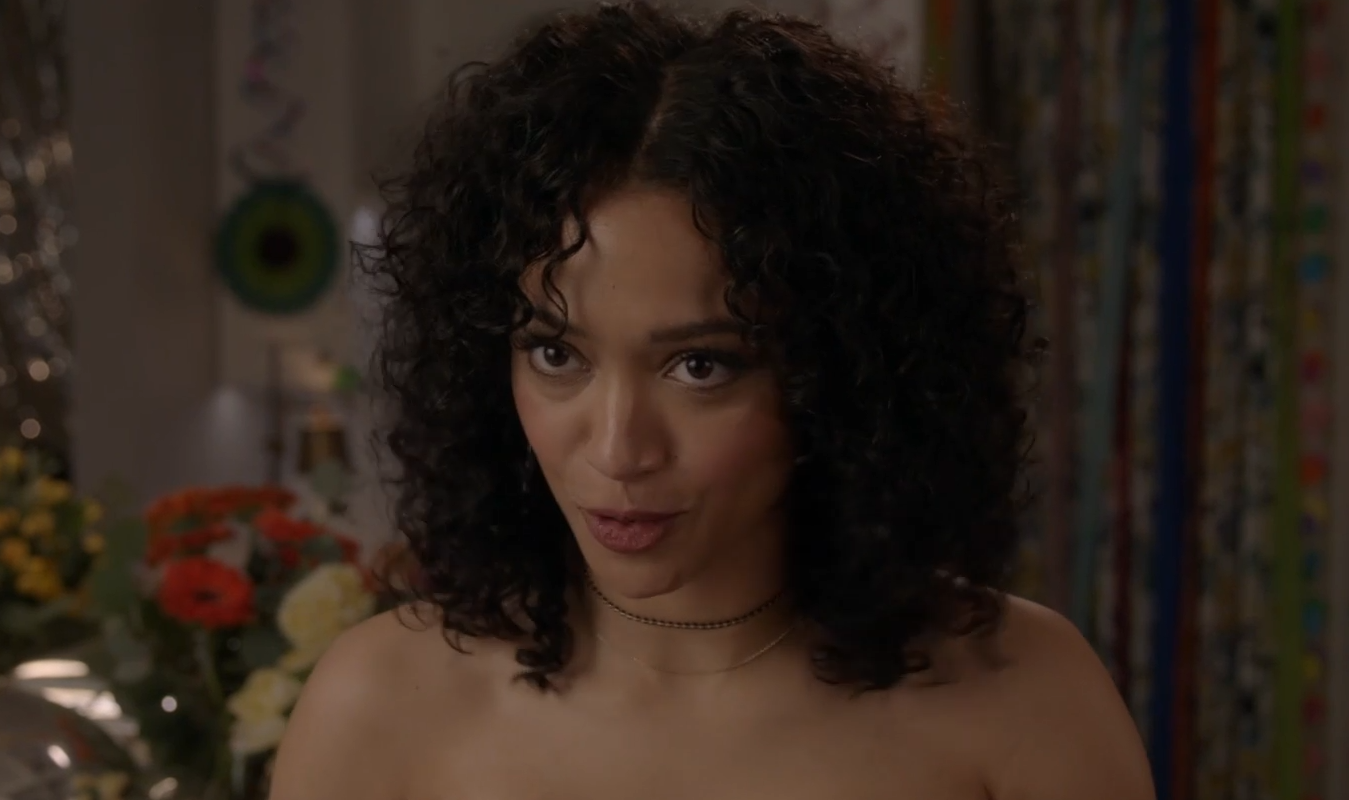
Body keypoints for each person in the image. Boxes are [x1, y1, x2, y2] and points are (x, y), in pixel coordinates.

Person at [269, 3, 1154, 799]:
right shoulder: (380, 706)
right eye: (556, 354)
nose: (617, 450)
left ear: (842, 374)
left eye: (699, 366)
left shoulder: (1023, 701)